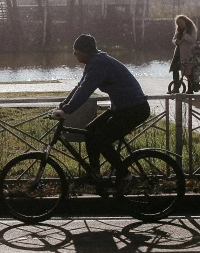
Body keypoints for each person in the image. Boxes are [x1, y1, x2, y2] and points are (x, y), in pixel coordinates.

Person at [50, 34, 150, 181]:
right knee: (90, 132)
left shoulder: (99, 64)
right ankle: (94, 174)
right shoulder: (94, 62)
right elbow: (80, 86)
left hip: (134, 109)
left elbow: (85, 90)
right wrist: (62, 106)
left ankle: (126, 176)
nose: (74, 54)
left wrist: (66, 110)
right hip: (122, 108)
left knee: (102, 140)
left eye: (75, 50)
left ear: (84, 51)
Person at [170, 15, 197, 93]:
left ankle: (190, 89)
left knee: (188, 70)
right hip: (178, 52)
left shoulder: (191, 29)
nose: (180, 24)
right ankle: (176, 88)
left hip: (187, 53)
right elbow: (174, 39)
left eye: (181, 22)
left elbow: (193, 40)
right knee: (174, 69)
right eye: (178, 23)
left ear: (185, 21)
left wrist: (185, 36)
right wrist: (176, 41)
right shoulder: (179, 30)